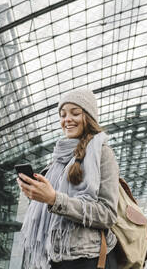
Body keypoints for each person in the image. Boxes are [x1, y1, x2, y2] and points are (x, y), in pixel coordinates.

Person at [17, 88, 120, 269]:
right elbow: (47, 211)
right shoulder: (55, 163)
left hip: (89, 258)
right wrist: (35, 194)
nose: (67, 120)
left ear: (88, 117)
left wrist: (54, 199)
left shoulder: (102, 153)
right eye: (63, 115)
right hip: (54, 258)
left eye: (75, 113)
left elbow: (108, 214)